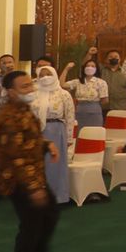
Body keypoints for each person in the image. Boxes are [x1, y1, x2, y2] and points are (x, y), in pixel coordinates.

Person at [0, 72, 60, 252]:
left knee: (49, 215)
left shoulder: (24, 110)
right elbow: (16, 157)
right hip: (18, 180)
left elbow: (30, 139)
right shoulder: (9, 118)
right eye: (24, 87)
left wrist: (47, 144)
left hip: (33, 175)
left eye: (30, 84)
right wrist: (33, 188)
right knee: (31, 225)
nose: (31, 89)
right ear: (11, 92)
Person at [29, 63, 75, 206]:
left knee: (55, 164)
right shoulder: (33, 94)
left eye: (48, 74)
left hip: (56, 130)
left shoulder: (63, 94)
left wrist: (69, 137)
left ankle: (58, 196)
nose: (45, 78)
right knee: (38, 164)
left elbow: (70, 116)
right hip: (36, 132)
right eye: (41, 75)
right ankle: (38, 197)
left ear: (54, 75)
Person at [63, 51, 108, 131]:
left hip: (95, 111)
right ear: (84, 68)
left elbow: (105, 100)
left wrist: (92, 104)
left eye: (93, 66)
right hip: (80, 111)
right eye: (88, 66)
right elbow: (62, 85)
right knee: (79, 133)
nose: (90, 67)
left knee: (94, 133)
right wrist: (66, 69)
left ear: (96, 69)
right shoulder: (78, 82)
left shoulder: (101, 82)